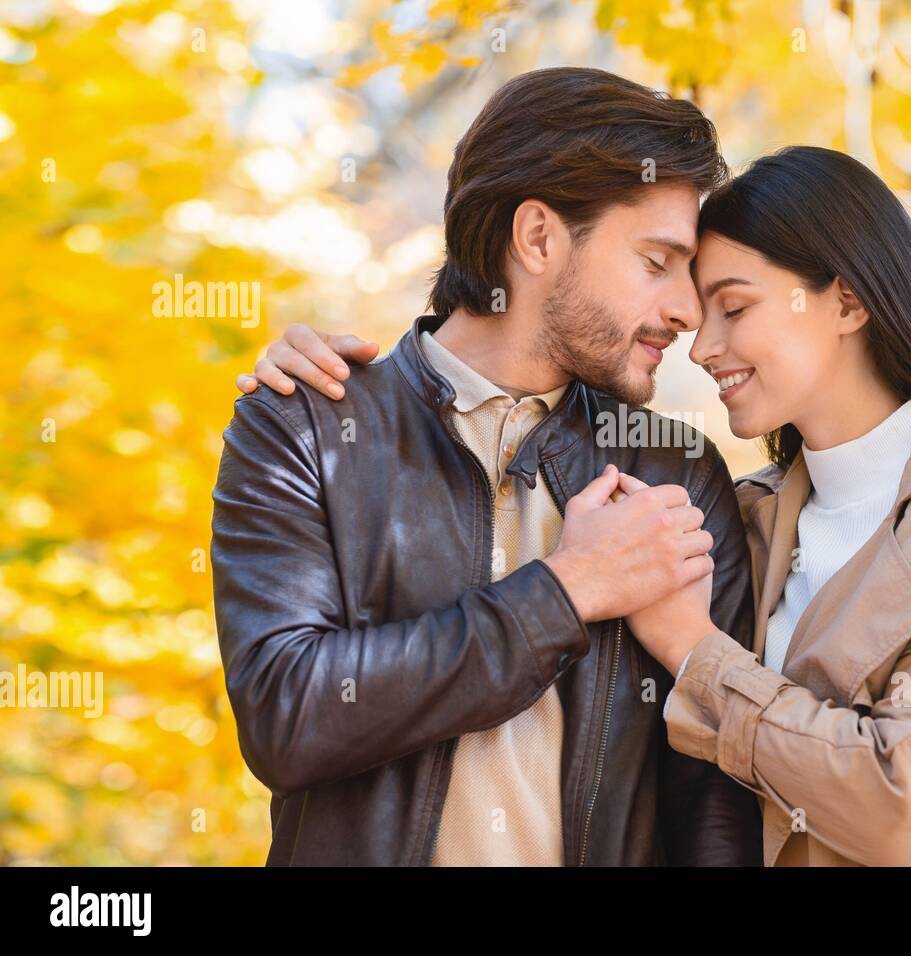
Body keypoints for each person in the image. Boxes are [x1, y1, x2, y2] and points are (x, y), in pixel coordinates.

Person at [252, 145, 911, 867]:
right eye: (674, 279)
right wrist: (347, 394)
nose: (699, 339)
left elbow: (902, 807)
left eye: (735, 306)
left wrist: (691, 648)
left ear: (848, 302)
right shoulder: (743, 512)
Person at [210, 66, 762, 866]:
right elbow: (289, 717)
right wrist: (571, 591)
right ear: (537, 237)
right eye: (656, 262)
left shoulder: (677, 470)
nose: (686, 308)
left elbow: (710, 793)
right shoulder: (304, 424)